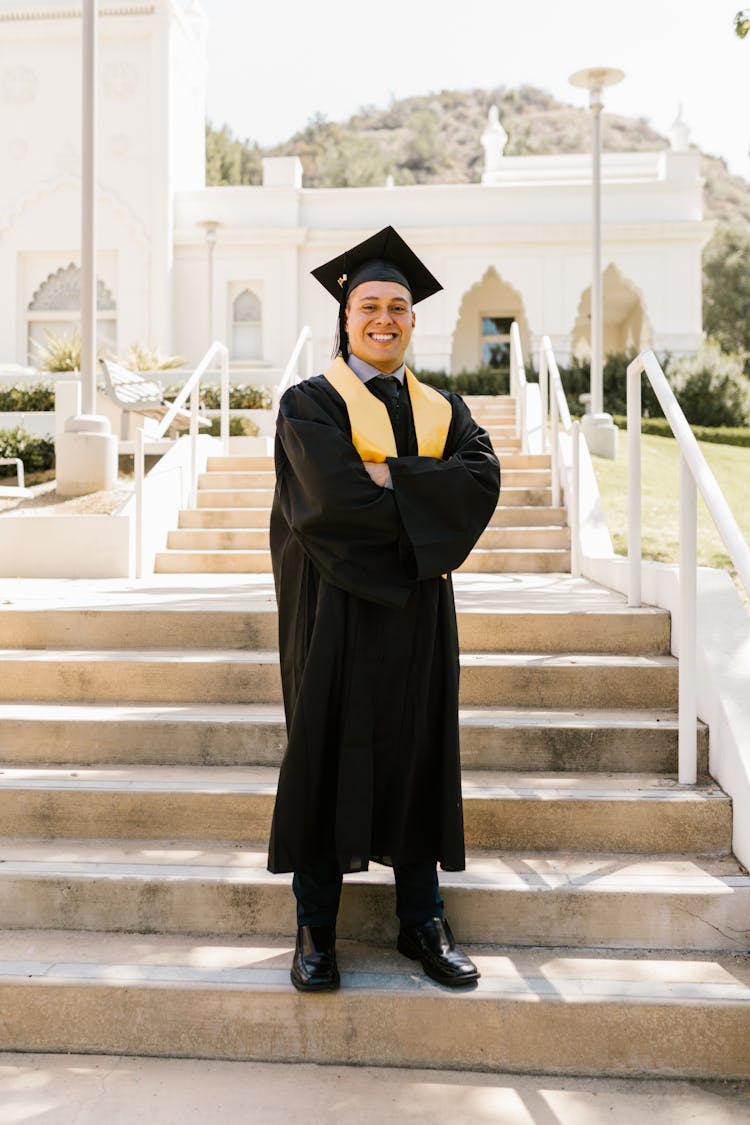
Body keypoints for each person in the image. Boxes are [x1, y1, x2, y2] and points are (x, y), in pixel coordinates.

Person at [267, 226, 501, 992]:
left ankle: (422, 921)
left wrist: (391, 476)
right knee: (325, 754)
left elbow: (481, 481)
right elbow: (330, 505)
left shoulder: (444, 409)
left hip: (418, 627)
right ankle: (316, 927)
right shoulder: (310, 403)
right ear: (346, 315)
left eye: (399, 307)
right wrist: (422, 497)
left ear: (412, 319)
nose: (385, 318)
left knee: (420, 755)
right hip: (333, 618)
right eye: (370, 304)